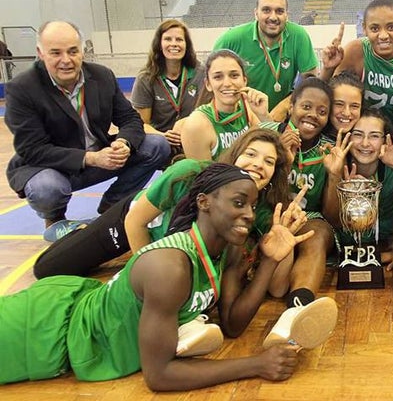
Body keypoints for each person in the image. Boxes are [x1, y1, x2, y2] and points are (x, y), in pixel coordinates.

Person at [0, 163, 338, 390]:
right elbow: (159, 375)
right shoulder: (170, 266)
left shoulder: (222, 250)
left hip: (72, 317)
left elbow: (233, 324)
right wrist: (255, 365)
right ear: (203, 202)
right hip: (44, 330)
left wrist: (266, 260)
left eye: (251, 205)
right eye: (238, 203)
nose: (249, 214)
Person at [33, 127, 290, 280]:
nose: (258, 164)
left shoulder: (262, 209)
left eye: (269, 162)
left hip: (168, 247)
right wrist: (145, 274)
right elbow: (135, 220)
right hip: (131, 222)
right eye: (251, 154)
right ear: (235, 155)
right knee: (47, 268)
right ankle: (81, 232)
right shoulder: (189, 173)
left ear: (273, 174)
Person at [4, 20, 170, 229]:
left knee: (157, 146)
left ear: (82, 51)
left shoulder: (102, 75)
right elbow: (33, 150)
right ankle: (55, 219)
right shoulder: (22, 89)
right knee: (46, 188)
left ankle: (113, 205)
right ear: (40, 52)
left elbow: (129, 118)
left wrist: (123, 143)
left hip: (100, 156)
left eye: (73, 51)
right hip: (53, 168)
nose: (66, 60)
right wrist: (91, 158)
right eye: (56, 53)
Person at [260, 77, 341, 324]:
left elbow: (331, 216)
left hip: (308, 219)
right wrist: (282, 161)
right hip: (265, 214)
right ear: (291, 106)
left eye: (322, 111)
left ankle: (295, 312)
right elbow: (256, 191)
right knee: (276, 284)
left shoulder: (329, 149)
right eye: (306, 107)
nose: (313, 115)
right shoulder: (267, 135)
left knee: (318, 234)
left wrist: (334, 174)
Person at [319, 0, 393, 121]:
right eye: (374, 28)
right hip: (366, 134)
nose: (383, 35)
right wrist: (328, 69)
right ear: (364, 29)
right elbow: (322, 96)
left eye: (391, 27)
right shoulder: (356, 51)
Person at [213, 0, 319, 112]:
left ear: (286, 15)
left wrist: (283, 108)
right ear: (256, 13)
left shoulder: (298, 36)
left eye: (279, 11)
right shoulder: (231, 39)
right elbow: (210, 79)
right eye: (266, 10)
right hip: (241, 117)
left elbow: (310, 81)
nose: (273, 17)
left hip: (280, 118)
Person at [322, 108, 393, 262]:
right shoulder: (335, 164)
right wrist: (338, 182)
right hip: (341, 255)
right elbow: (332, 221)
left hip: (384, 250)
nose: (365, 143)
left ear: (385, 140)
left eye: (374, 136)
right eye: (358, 135)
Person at [130, 19, 205, 157]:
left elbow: (208, 113)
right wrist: (163, 136)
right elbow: (141, 124)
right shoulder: (145, 79)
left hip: (193, 136)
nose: (174, 44)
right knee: (158, 143)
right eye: (168, 39)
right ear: (159, 44)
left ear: (186, 45)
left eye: (179, 39)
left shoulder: (201, 73)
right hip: (161, 140)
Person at [181, 49, 272, 161]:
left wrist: (264, 116)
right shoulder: (197, 124)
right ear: (208, 84)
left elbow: (271, 154)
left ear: (244, 81)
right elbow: (203, 177)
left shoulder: (248, 110)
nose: (227, 83)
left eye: (234, 75)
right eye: (218, 77)